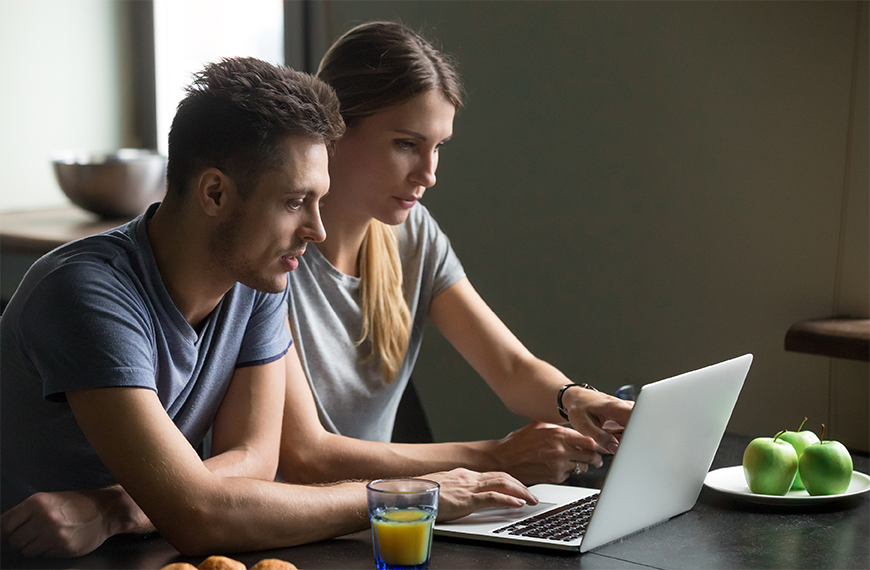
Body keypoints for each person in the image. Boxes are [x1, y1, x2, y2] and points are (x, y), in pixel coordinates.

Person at [0, 57, 536, 558]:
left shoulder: (255, 280)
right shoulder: (87, 294)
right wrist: (406, 494)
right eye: (295, 202)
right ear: (215, 194)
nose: (317, 230)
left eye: (319, 201)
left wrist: (118, 508)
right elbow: (199, 514)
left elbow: (256, 462)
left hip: (143, 550)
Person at [278, 22, 634, 488]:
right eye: (407, 144)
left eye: (438, 147)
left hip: (384, 520)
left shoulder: (413, 237)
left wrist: (574, 399)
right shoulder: (273, 253)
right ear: (334, 131)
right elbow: (304, 457)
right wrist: (495, 458)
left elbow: (510, 368)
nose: (428, 174)